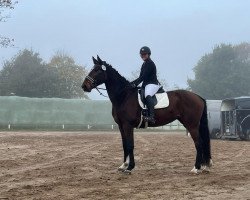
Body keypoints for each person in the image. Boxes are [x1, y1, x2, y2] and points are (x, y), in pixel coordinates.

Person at [131, 46, 160, 123]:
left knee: (147, 94)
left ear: (148, 54)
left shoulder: (150, 63)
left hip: (153, 84)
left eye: (144, 54)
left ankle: (151, 117)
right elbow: (140, 77)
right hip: (146, 84)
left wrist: (135, 83)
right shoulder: (144, 64)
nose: (143, 55)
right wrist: (132, 83)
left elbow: (144, 77)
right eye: (141, 54)